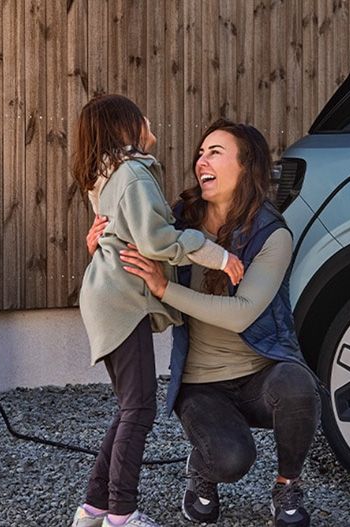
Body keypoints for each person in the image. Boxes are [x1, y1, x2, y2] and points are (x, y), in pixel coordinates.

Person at [117, 119, 321, 527]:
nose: (200, 161)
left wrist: (166, 290)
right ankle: (204, 467)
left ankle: (287, 486)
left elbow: (243, 311)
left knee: (299, 386)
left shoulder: (271, 234)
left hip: (259, 377)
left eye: (215, 152)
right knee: (231, 461)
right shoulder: (180, 219)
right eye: (200, 152)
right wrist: (102, 242)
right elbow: (131, 246)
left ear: (246, 166)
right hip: (201, 384)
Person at [69, 95, 244, 527]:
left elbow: (121, 234)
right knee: (139, 410)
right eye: (140, 114)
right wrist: (217, 256)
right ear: (126, 127)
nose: (149, 119)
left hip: (110, 299)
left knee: (131, 407)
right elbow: (158, 240)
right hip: (120, 301)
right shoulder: (133, 174)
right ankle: (122, 515)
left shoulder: (110, 176)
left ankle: (93, 510)